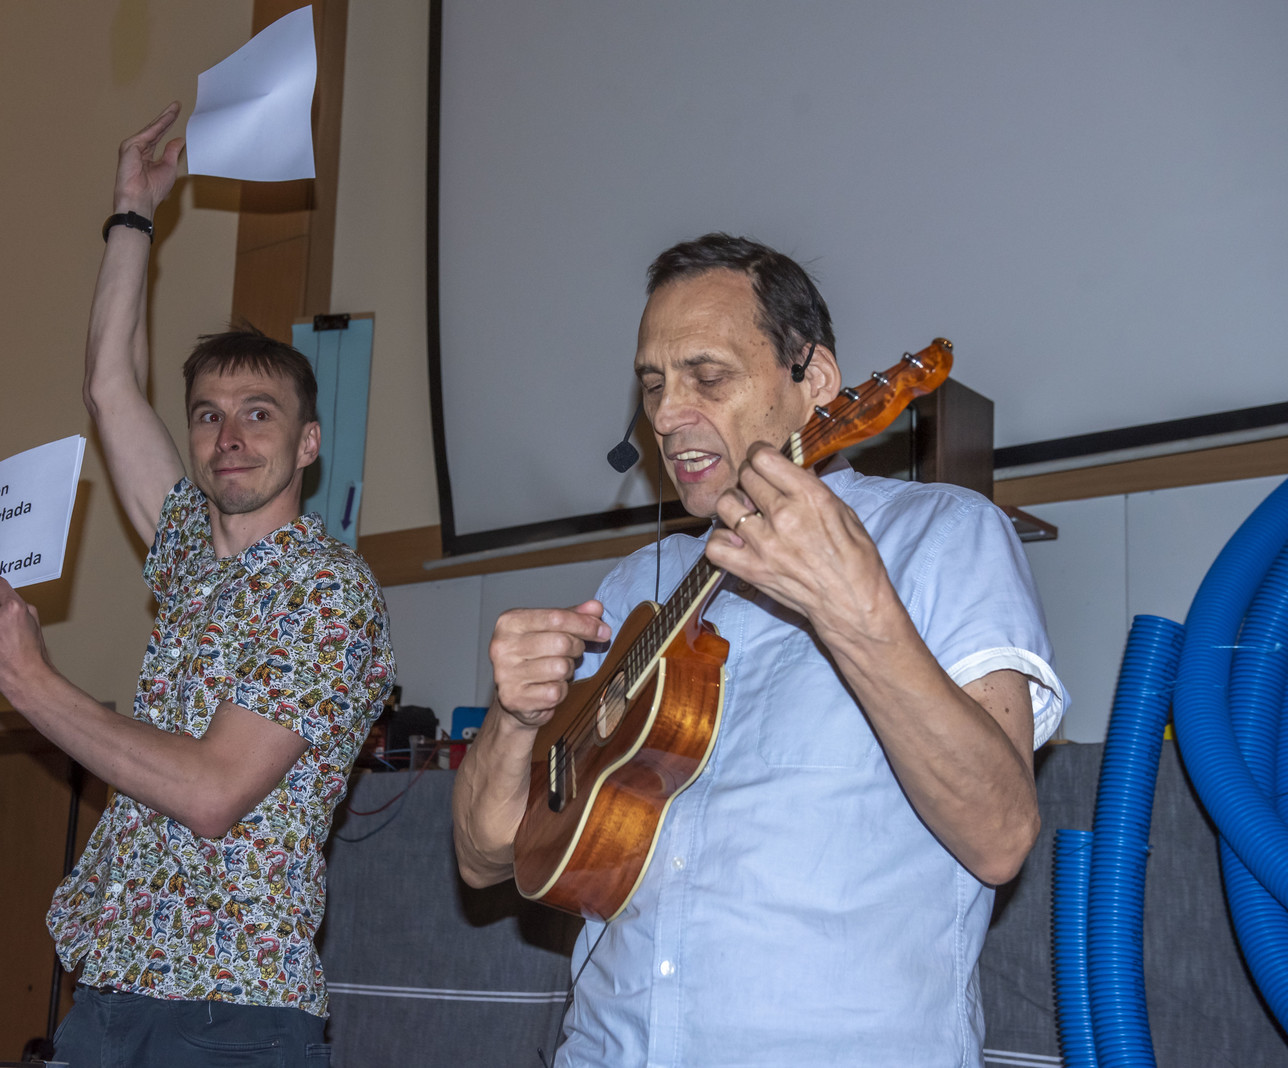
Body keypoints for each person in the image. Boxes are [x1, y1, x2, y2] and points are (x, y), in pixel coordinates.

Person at [451, 233, 1065, 1066]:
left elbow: (1001, 835)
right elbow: (485, 856)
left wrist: (856, 615)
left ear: (815, 381)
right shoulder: (631, 587)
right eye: (654, 385)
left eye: (707, 377)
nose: (667, 416)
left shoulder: (943, 536)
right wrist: (515, 718)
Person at [0, 103, 394, 1067]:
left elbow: (211, 793)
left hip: (229, 1012)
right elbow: (109, 386)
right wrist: (132, 214)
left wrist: (30, 680)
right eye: (207, 416)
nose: (228, 435)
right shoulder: (191, 554)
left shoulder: (328, 593)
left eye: (258, 414)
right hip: (111, 994)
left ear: (308, 445)